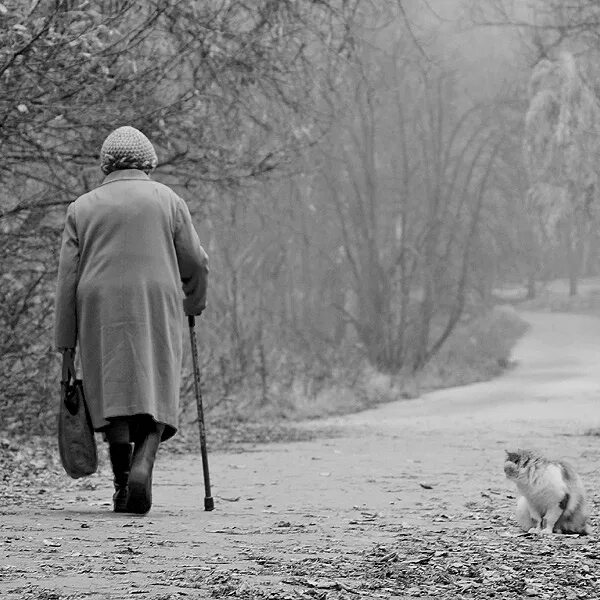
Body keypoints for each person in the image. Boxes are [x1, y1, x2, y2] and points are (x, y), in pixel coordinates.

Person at [54, 126, 209, 514]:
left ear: (107, 163)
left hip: (98, 305)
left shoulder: (82, 207)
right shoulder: (167, 201)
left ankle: (123, 486)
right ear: (148, 161)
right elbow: (195, 261)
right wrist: (194, 301)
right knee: (156, 382)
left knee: (114, 391)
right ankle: (144, 463)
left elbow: (67, 279)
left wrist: (66, 344)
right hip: (155, 299)